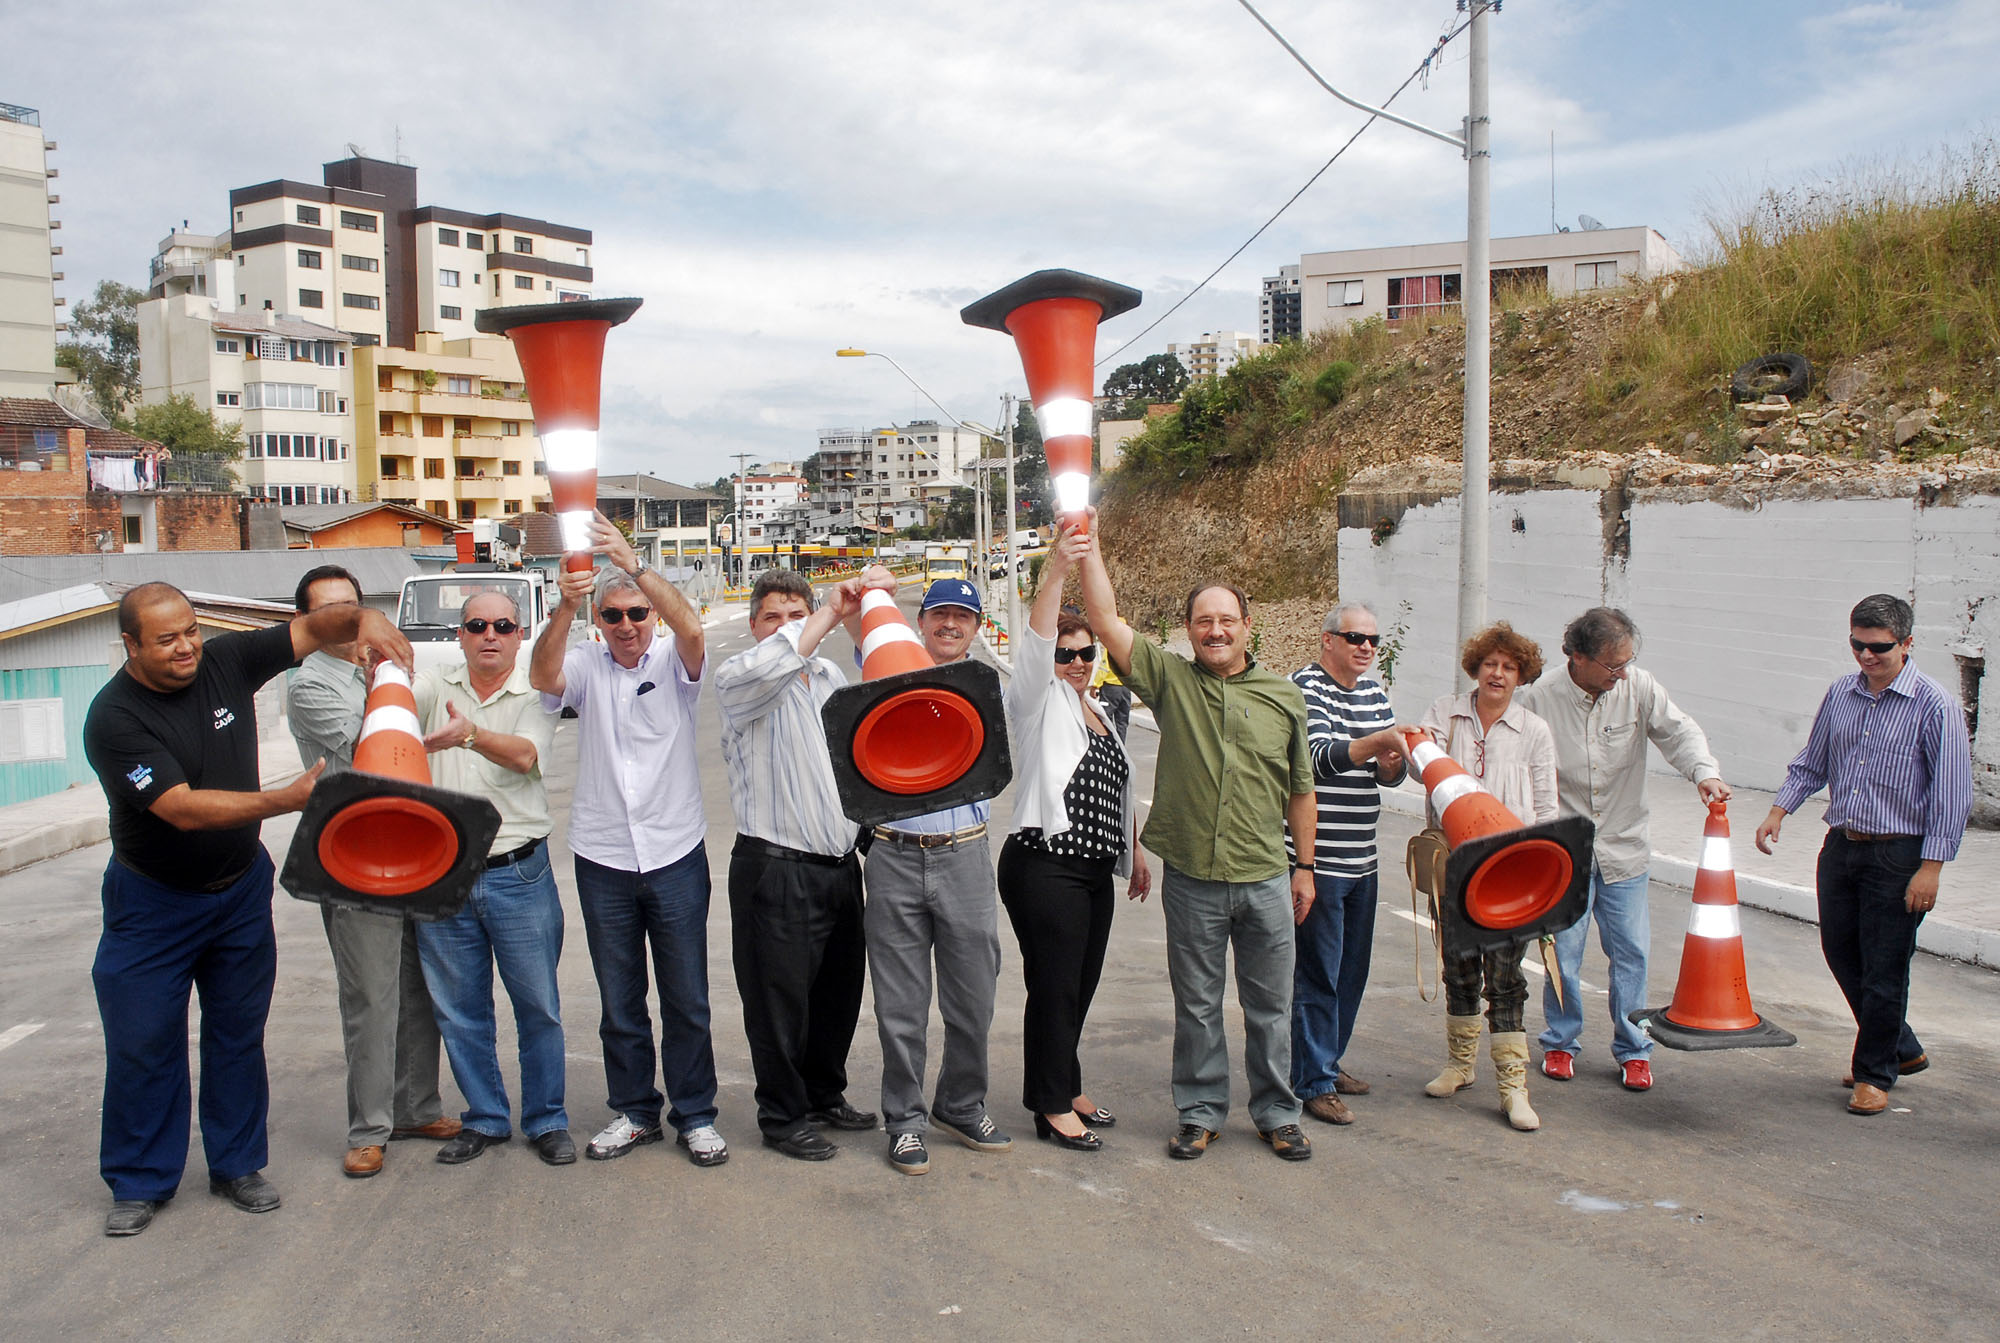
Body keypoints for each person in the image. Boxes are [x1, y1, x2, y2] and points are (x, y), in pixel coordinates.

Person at [84, 581, 410, 1237]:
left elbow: (314, 629)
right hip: (152, 901)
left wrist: (366, 616)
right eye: (166, 638)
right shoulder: (115, 717)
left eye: (189, 631)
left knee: (236, 1035)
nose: (185, 647)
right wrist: (285, 800)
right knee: (144, 1040)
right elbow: (180, 808)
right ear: (130, 644)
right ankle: (140, 1178)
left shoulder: (225, 661)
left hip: (236, 893)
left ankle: (236, 1164)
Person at [1075, 510, 1319, 1164]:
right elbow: (1104, 621)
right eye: (1203, 620)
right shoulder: (1169, 679)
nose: (1215, 630)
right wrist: (1091, 544)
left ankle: (1276, 1111)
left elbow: (1301, 788)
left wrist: (1306, 868)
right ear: (1188, 630)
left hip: (1267, 876)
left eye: (1227, 619)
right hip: (1193, 881)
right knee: (1199, 1005)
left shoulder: (1283, 697)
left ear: (1247, 626)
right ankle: (1201, 1110)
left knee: (1271, 1006)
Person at [529, 513, 727, 1168]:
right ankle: (634, 1109)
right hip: (604, 857)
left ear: (651, 613)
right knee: (620, 999)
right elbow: (544, 677)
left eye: (637, 613)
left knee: (686, 995)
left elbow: (694, 627)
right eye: (612, 615)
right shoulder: (586, 661)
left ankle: (695, 1113)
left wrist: (635, 562)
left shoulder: (674, 659)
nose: (626, 626)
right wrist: (565, 604)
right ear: (599, 621)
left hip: (674, 853)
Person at [1755, 594, 1972, 1117]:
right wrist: (1780, 810)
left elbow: (1952, 793)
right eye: (1858, 645)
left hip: (1900, 856)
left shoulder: (1934, 705)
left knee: (1885, 967)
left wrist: (1931, 868)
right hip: (1843, 846)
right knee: (1840, 951)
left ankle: (1875, 1072)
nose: (1867, 657)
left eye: (1879, 647)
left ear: (1907, 643)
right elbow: (1815, 761)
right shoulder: (1841, 693)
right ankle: (1900, 1045)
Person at [285, 565, 458, 1179]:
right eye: (329, 609)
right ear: (305, 622)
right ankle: (368, 1128)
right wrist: (386, 681)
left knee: (418, 986)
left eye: (352, 604)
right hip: (352, 852)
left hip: (411, 843)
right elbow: (373, 747)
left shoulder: (387, 664)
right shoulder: (310, 685)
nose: (345, 616)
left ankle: (417, 1105)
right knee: (370, 994)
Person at [1519, 607, 1728, 1093]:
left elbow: (1679, 733)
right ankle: (1560, 1041)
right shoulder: (1538, 700)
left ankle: (1634, 1050)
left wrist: (1705, 772)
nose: (1621, 674)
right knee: (1562, 954)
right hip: (1564, 852)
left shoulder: (1639, 688)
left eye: (1626, 664)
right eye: (1612, 666)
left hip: (1624, 847)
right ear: (1578, 657)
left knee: (1631, 951)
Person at [714, 569, 877, 1161]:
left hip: (837, 866)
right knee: (778, 1002)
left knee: (838, 993)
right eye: (772, 618)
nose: (785, 628)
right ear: (754, 626)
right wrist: (824, 616)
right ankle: (782, 1116)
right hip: (774, 868)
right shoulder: (741, 678)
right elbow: (773, 664)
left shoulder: (830, 676)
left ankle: (822, 1093)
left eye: (795, 614)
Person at [999, 525, 1147, 1152]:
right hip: (1043, 864)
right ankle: (1050, 1104)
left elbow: (1119, 786)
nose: (1079, 664)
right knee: (1055, 984)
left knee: (1079, 983)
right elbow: (1034, 646)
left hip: (1093, 869)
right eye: (1068, 654)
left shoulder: (1105, 710)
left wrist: (1133, 853)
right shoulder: (1036, 699)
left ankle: (1069, 1081)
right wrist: (1057, 568)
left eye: (1087, 654)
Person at [413, 591, 569, 1167]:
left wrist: (469, 735)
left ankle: (547, 1120)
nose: (490, 635)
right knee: (460, 1009)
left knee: (538, 1006)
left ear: (519, 632)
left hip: (517, 874)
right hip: (443, 875)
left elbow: (527, 756)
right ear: (460, 634)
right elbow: (400, 699)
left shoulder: (538, 692)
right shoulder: (435, 686)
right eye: (477, 625)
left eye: (503, 625)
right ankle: (484, 1117)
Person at [864, 572, 1012, 1176]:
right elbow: (864, 625)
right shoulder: (890, 666)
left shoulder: (982, 686)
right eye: (938, 614)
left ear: (977, 630)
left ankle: (961, 1102)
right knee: (901, 1006)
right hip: (894, 853)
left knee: (973, 998)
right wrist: (874, 589)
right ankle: (904, 1119)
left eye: (963, 616)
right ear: (920, 621)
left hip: (966, 854)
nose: (950, 624)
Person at [1416, 622, 1557, 1132]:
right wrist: (1420, 747)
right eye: (1490, 664)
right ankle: (1459, 1064)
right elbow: (1418, 768)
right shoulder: (1444, 714)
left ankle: (1512, 1086)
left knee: (1506, 978)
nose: (1498, 674)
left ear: (1521, 676)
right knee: (1458, 967)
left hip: (1510, 874)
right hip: (1453, 865)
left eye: (1509, 667)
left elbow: (1545, 807)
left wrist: (1542, 880)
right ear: (1475, 668)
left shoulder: (1534, 731)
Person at [1288, 602, 1408, 1127]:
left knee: (1351, 971)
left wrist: (1392, 763)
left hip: (1363, 857)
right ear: (1327, 640)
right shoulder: (1304, 689)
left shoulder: (1376, 694)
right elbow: (1312, 760)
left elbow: (1386, 778)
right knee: (1318, 973)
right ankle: (1311, 1080)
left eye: (1373, 641)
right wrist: (1374, 745)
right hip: (1320, 858)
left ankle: (1328, 1064)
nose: (1365, 647)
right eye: (1354, 637)